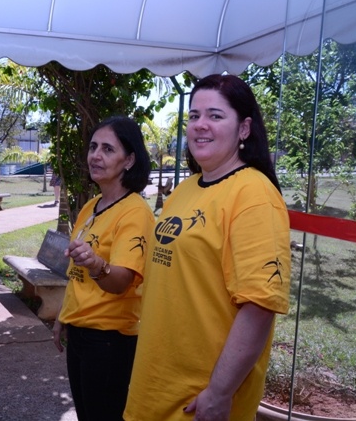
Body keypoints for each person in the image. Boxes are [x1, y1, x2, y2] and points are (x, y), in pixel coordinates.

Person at [124, 74, 292, 421]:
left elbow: (259, 305)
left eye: (215, 116)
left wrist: (219, 392)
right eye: (195, 116)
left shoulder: (254, 195)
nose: (201, 125)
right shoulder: (184, 190)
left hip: (200, 400)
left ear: (244, 129)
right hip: (153, 386)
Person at [52, 116, 155, 421]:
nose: (95, 155)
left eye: (108, 149)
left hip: (110, 341)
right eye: (93, 146)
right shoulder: (91, 206)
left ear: (129, 160)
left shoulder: (135, 212)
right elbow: (76, 275)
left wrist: (97, 263)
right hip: (82, 334)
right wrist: (63, 316)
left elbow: (122, 281)